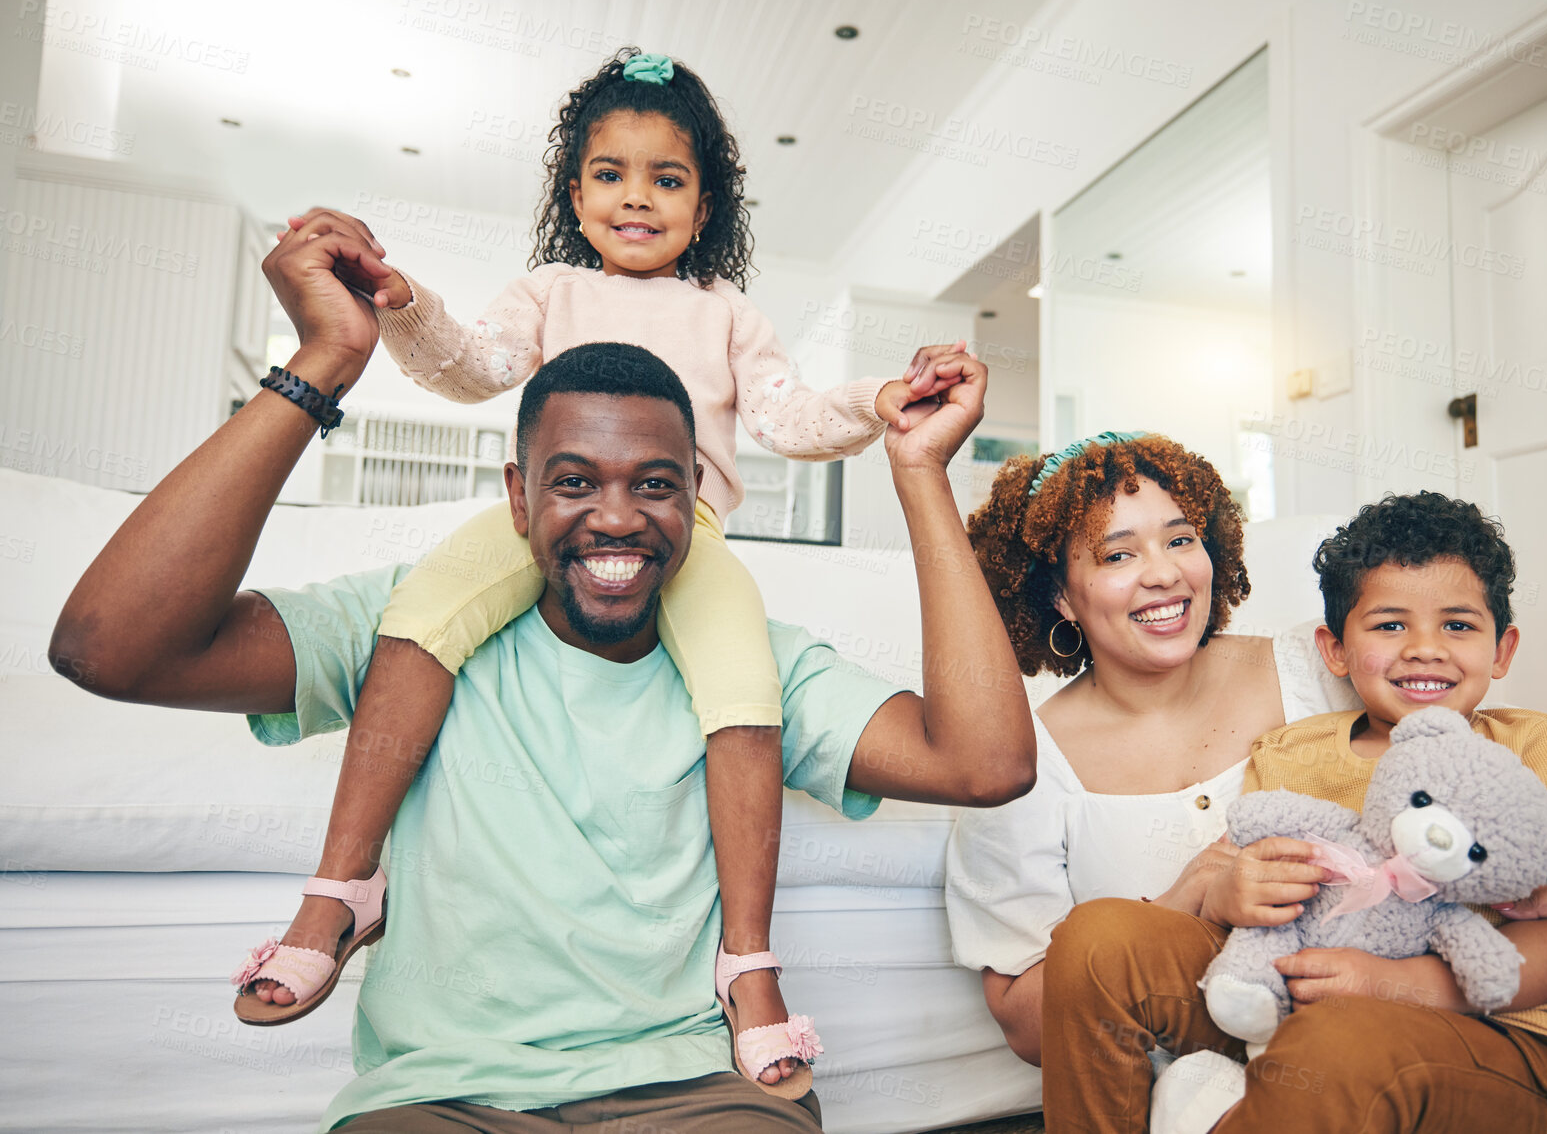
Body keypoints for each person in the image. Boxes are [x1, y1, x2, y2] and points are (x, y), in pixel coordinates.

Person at [49, 215, 1035, 1132]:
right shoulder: (410, 623)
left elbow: (986, 764)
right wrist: (324, 362)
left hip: (694, 1092)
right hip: (442, 1096)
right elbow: (109, 646)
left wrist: (919, 471)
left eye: (653, 483)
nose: (614, 517)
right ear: (517, 499)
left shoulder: (753, 666)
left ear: (694, 494)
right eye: (574, 481)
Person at [239, 47, 962, 1095]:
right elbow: (472, 368)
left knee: (744, 694)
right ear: (575, 195)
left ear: (704, 203)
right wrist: (401, 301)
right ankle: (343, 885)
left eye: (668, 179)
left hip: (687, 537)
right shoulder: (547, 290)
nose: (638, 197)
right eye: (612, 174)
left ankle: (747, 963)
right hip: (546, 525)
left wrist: (877, 399)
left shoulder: (727, 314)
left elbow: (787, 419)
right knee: (418, 618)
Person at [944, 434, 1547, 1131]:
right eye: (1116, 552)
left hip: (1467, 1027)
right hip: (1278, 1005)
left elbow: (1535, 783)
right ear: (1062, 595)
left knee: (1336, 1038)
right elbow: (1254, 885)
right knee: (1100, 934)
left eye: (1179, 538)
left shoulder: (1312, 669)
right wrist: (1214, 893)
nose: (1164, 571)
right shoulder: (1284, 746)